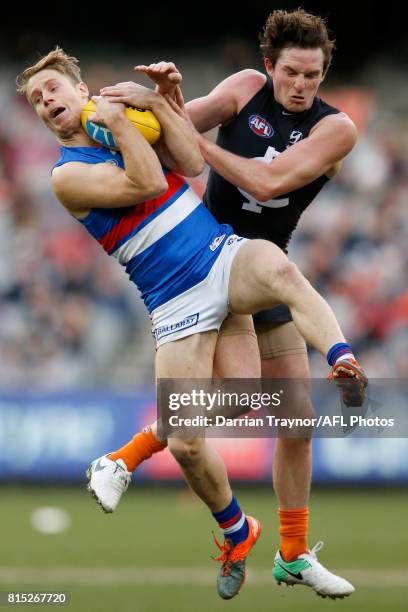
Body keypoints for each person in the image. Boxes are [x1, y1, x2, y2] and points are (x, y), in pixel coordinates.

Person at [16, 42, 365, 600]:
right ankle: (236, 529)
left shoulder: (128, 120)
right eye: (36, 99)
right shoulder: (66, 175)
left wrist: (156, 104)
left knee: (279, 277)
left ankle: (342, 358)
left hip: (223, 255)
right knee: (186, 439)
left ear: (81, 91)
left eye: (53, 88)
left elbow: (194, 161)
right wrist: (134, 117)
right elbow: (150, 182)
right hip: (173, 301)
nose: (46, 100)